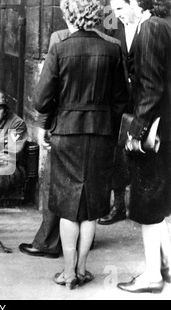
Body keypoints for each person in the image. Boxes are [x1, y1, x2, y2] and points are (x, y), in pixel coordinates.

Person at [32, 0, 128, 289]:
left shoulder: (60, 48)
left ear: (69, 14)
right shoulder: (113, 49)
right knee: (92, 206)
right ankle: (83, 269)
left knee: (67, 205)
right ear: (97, 15)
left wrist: (50, 122)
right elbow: (122, 99)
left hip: (66, 133)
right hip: (100, 135)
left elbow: (41, 100)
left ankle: (68, 272)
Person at [19, 27, 122, 258]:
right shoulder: (112, 44)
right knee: (92, 198)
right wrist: (107, 128)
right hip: (100, 130)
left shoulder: (59, 40)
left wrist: (44, 125)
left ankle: (53, 248)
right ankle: (82, 258)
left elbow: (45, 97)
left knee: (59, 190)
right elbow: (121, 99)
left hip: (66, 128)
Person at [117, 0, 171, 294]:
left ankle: (152, 276)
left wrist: (136, 132)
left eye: (120, 5)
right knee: (163, 203)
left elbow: (151, 86)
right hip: (166, 129)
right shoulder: (165, 26)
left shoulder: (148, 30)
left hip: (153, 132)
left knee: (148, 205)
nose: (116, 12)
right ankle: (167, 266)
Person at [98, 0, 143, 226]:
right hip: (122, 103)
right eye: (114, 10)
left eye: (121, 9)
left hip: (146, 101)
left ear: (134, 4)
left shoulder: (152, 27)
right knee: (118, 153)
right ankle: (118, 206)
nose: (118, 15)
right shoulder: (117, 31)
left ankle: (145, 206)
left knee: (147, 153)